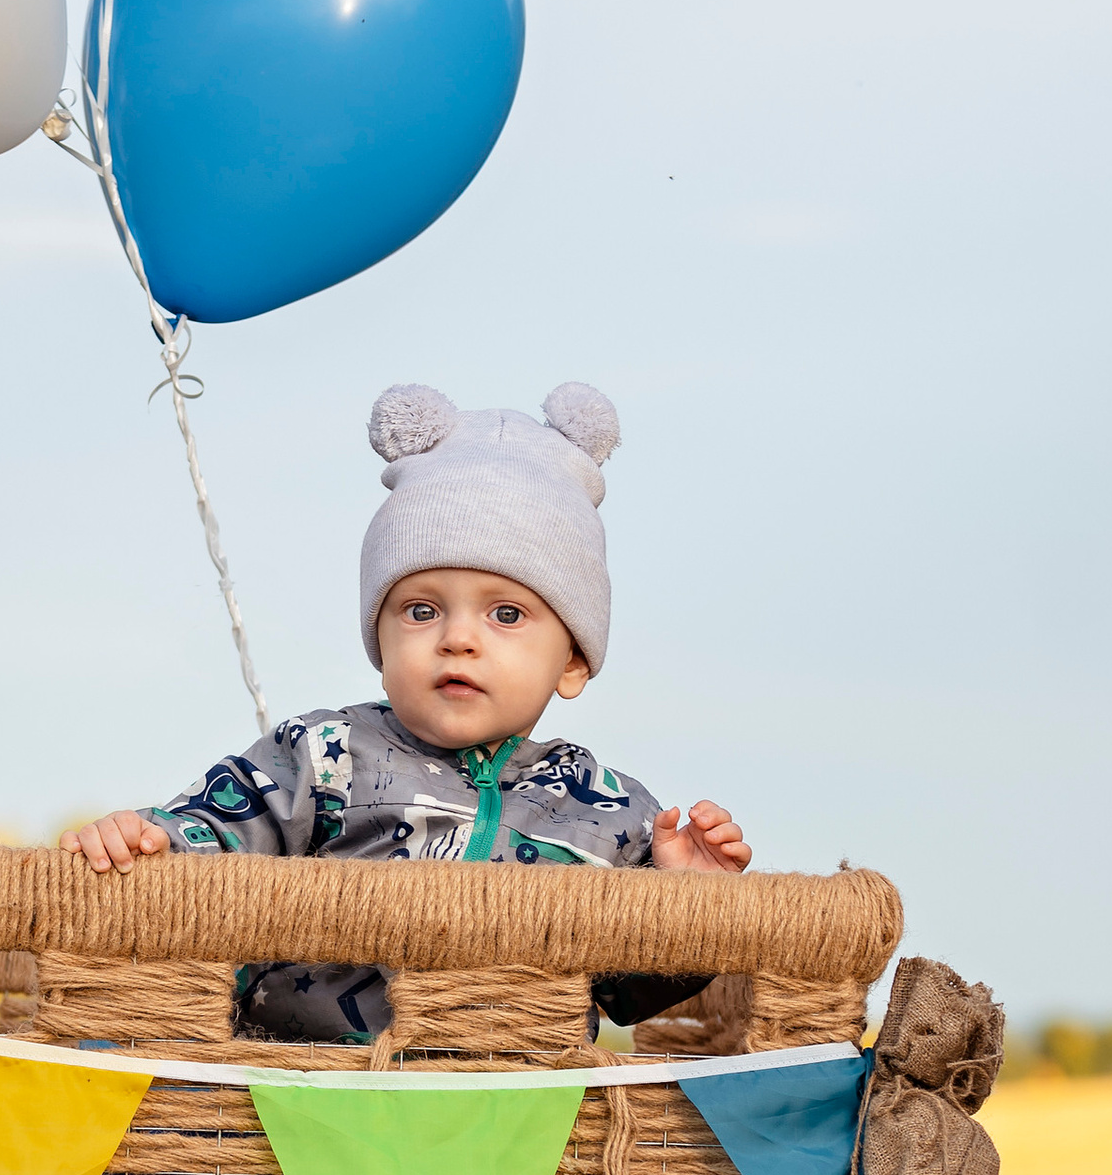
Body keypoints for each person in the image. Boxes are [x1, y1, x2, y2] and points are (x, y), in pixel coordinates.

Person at [61, 380, 749, 1040]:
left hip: (517, 1107)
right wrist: (152, 839)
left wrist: (688, 904)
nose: (458, 637)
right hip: (310, 1091)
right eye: (421, 610)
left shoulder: (609, 810)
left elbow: (629, 992)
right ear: (380, 641)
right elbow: (219, 837)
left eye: (507, 614)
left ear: (572, 661)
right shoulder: (327, 753)